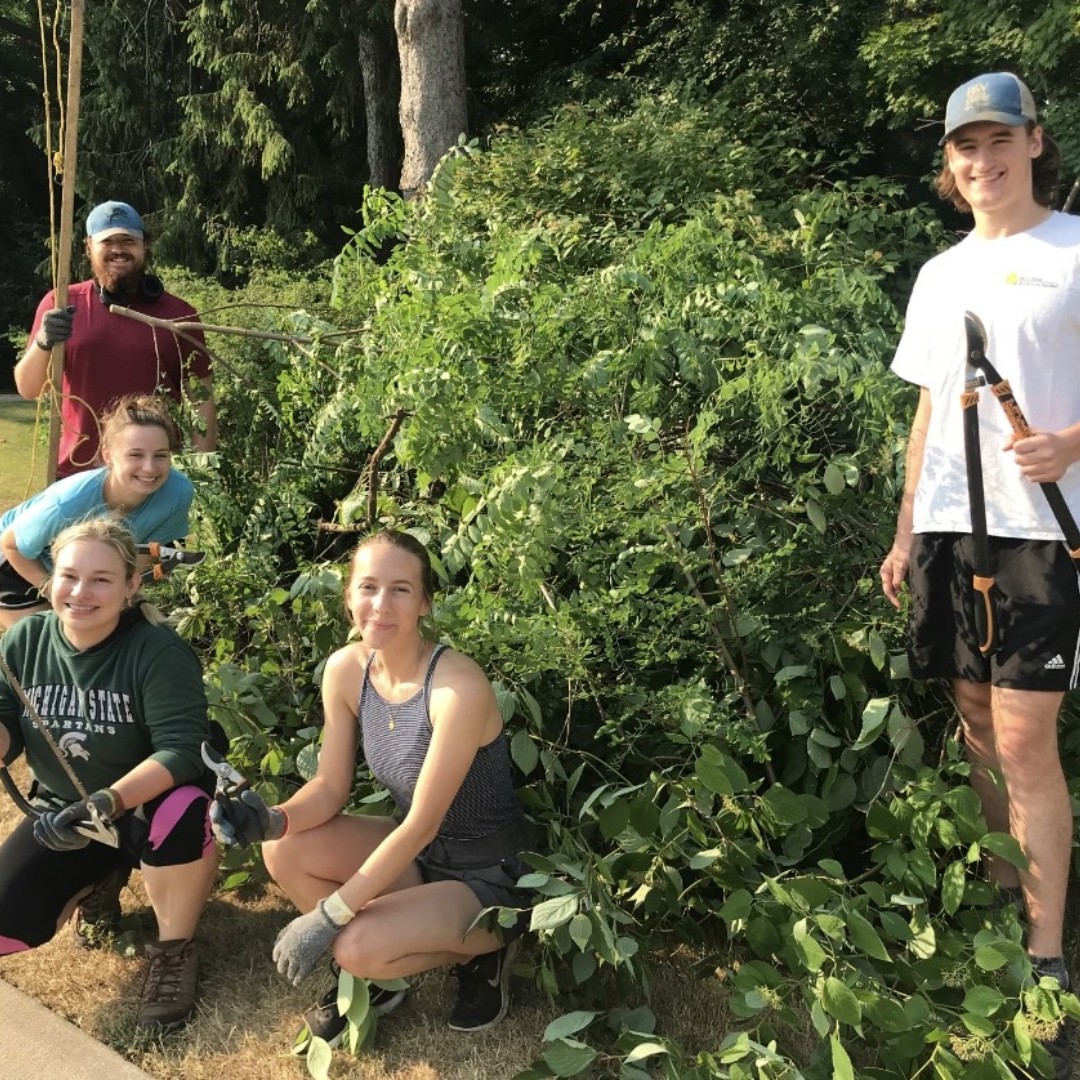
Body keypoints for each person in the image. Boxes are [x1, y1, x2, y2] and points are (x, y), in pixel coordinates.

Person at [879, 72, 1077, 1078]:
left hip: (1044, 532)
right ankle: (1005, 892)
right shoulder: (939, 273)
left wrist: (1073, 441)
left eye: (1000, 142)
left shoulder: (1076, 253)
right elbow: (926, 412)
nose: (982, 161)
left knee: (1023, 735)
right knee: (968, 710)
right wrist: (908, 528)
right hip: (953, 530)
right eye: (966, 148)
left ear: (1036, 144)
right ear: (951, 168)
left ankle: (1048, 958)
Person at [210, 529, 535, 1051]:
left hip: (489, 877)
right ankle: (379, 978)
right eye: (368, 587)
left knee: (355, 944)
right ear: (348, 596)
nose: (380, 605)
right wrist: (271, 819)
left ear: (425, 602)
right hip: (419, 858)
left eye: (401, 589)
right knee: (284, 847)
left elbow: (420, 824)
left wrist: (328, 915)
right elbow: (331, 786)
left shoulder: (457, 688)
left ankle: (481, 953)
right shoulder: (345, 670)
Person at [0, 516, 218, 1030]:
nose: (81, 592)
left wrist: (106, 802)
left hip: (144, 809)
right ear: (50, 579)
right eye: (70, 576)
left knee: (182, 812)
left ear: (131, 585)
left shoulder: (158, 651)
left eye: (101, 579)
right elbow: (6, 716)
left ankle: (173, 949)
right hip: (65, 812)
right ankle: (101, 876)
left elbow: (183, 750)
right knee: (8, 923)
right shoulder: (24, 640)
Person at [14, 200, 216, 478]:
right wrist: (42, 342)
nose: (118, 249)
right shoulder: (61, 304)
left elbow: (201, 400)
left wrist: (202, 474)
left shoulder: (179, 315)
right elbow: (28, 388)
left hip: (153, 476)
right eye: (107, 241)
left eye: (128, 240)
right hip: (76, 475)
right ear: (89, 248)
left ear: (145, 246)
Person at [0, 394, 194, 631]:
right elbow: (12, 545)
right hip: (17, 562)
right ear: (108, 456)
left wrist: (128, 597)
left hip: (85, 573)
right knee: (48, 642)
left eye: (160, 455)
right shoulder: (69, 501)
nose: (150, 467)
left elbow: (143, 555)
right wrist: (57, 593)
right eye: (136, 454)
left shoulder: (178, 492)